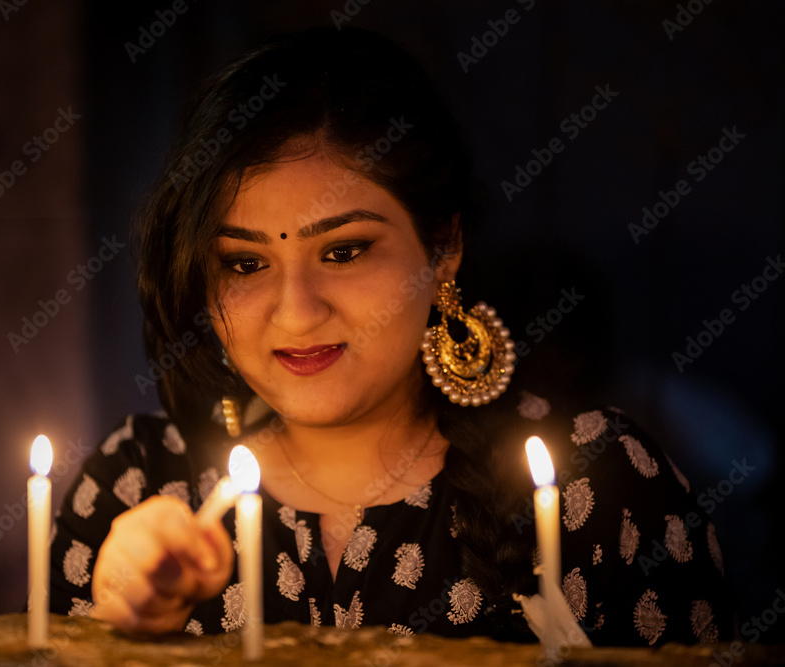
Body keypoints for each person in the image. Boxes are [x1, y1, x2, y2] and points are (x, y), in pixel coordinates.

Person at [49, 27, 735, 645]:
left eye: (344, 251)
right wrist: (114, 632)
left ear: (443, 247)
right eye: (246, 263)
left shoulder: (595, 484)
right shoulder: (138, 485)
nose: (296, 313)